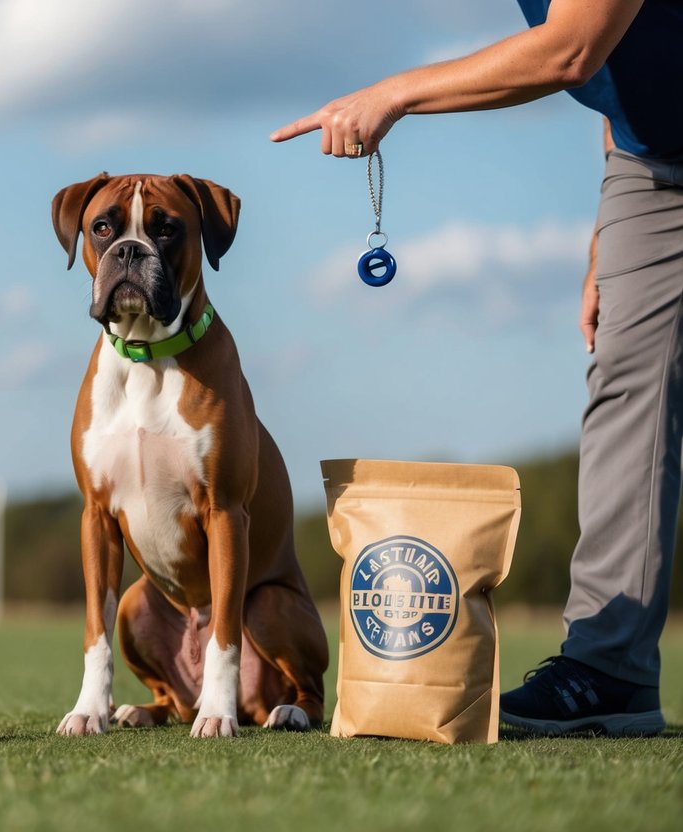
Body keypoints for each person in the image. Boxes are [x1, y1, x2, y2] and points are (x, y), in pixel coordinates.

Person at [272, 0, 681, 737]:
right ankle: (610, 669)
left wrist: (391, 93)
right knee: (625, 383)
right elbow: (626, 58)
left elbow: (571, 50)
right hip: (649, 159)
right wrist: (604, 235)